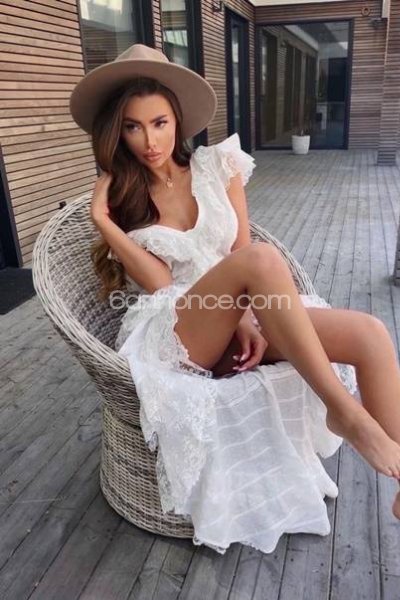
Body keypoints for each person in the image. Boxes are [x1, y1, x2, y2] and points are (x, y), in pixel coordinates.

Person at [69, 43, 400, 554]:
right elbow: (162, 283)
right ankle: (346, 413)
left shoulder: (218, 166)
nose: (149, 141)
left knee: (370, 335)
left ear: (177, 120)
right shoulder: (123, 194)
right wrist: (103, 221)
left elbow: (240, 253)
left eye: (159, 123)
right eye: (132, 127)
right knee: (261, 261)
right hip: (179, 331)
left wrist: (243, 315)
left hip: (245, 309)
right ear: (118, 132)